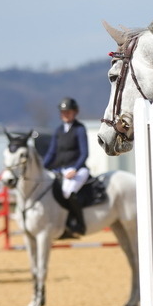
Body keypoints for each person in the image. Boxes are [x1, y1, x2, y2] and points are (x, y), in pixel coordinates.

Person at [41, 97, 90, 237]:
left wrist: (75, 169)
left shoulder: (80, 129)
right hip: (60, 170)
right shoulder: (58, 131)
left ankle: (78, 223)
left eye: (68, 112)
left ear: (75, 112)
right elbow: (51, 152)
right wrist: (43, 167)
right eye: (63, 112)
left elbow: (84, 153)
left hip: (78, 169)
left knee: (68, 191)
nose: (65, 114)